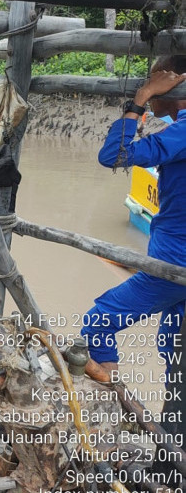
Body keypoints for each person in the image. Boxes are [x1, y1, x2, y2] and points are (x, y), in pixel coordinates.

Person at [81, 56, 186, 376]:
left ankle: (116, 406)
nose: (149, 89)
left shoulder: (181, 133)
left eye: (154, 82)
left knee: (98, 323)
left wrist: (138, 101)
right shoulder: (176, 131)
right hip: (172, 261)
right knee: (173, 344)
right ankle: (173, 420)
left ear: (175, 83)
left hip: (174, 264)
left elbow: (114, 154)